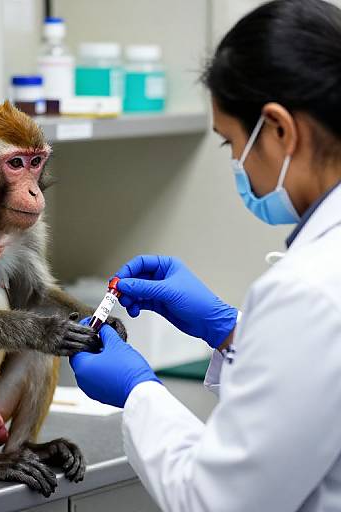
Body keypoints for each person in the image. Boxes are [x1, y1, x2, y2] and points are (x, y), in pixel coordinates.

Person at [69, 1, 341, 510]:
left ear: (280, 130)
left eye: (231, 144)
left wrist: (138, 392)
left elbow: (216, 501)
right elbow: (312, 399)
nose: (237, 163)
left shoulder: (308, 290)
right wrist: (231, 333)